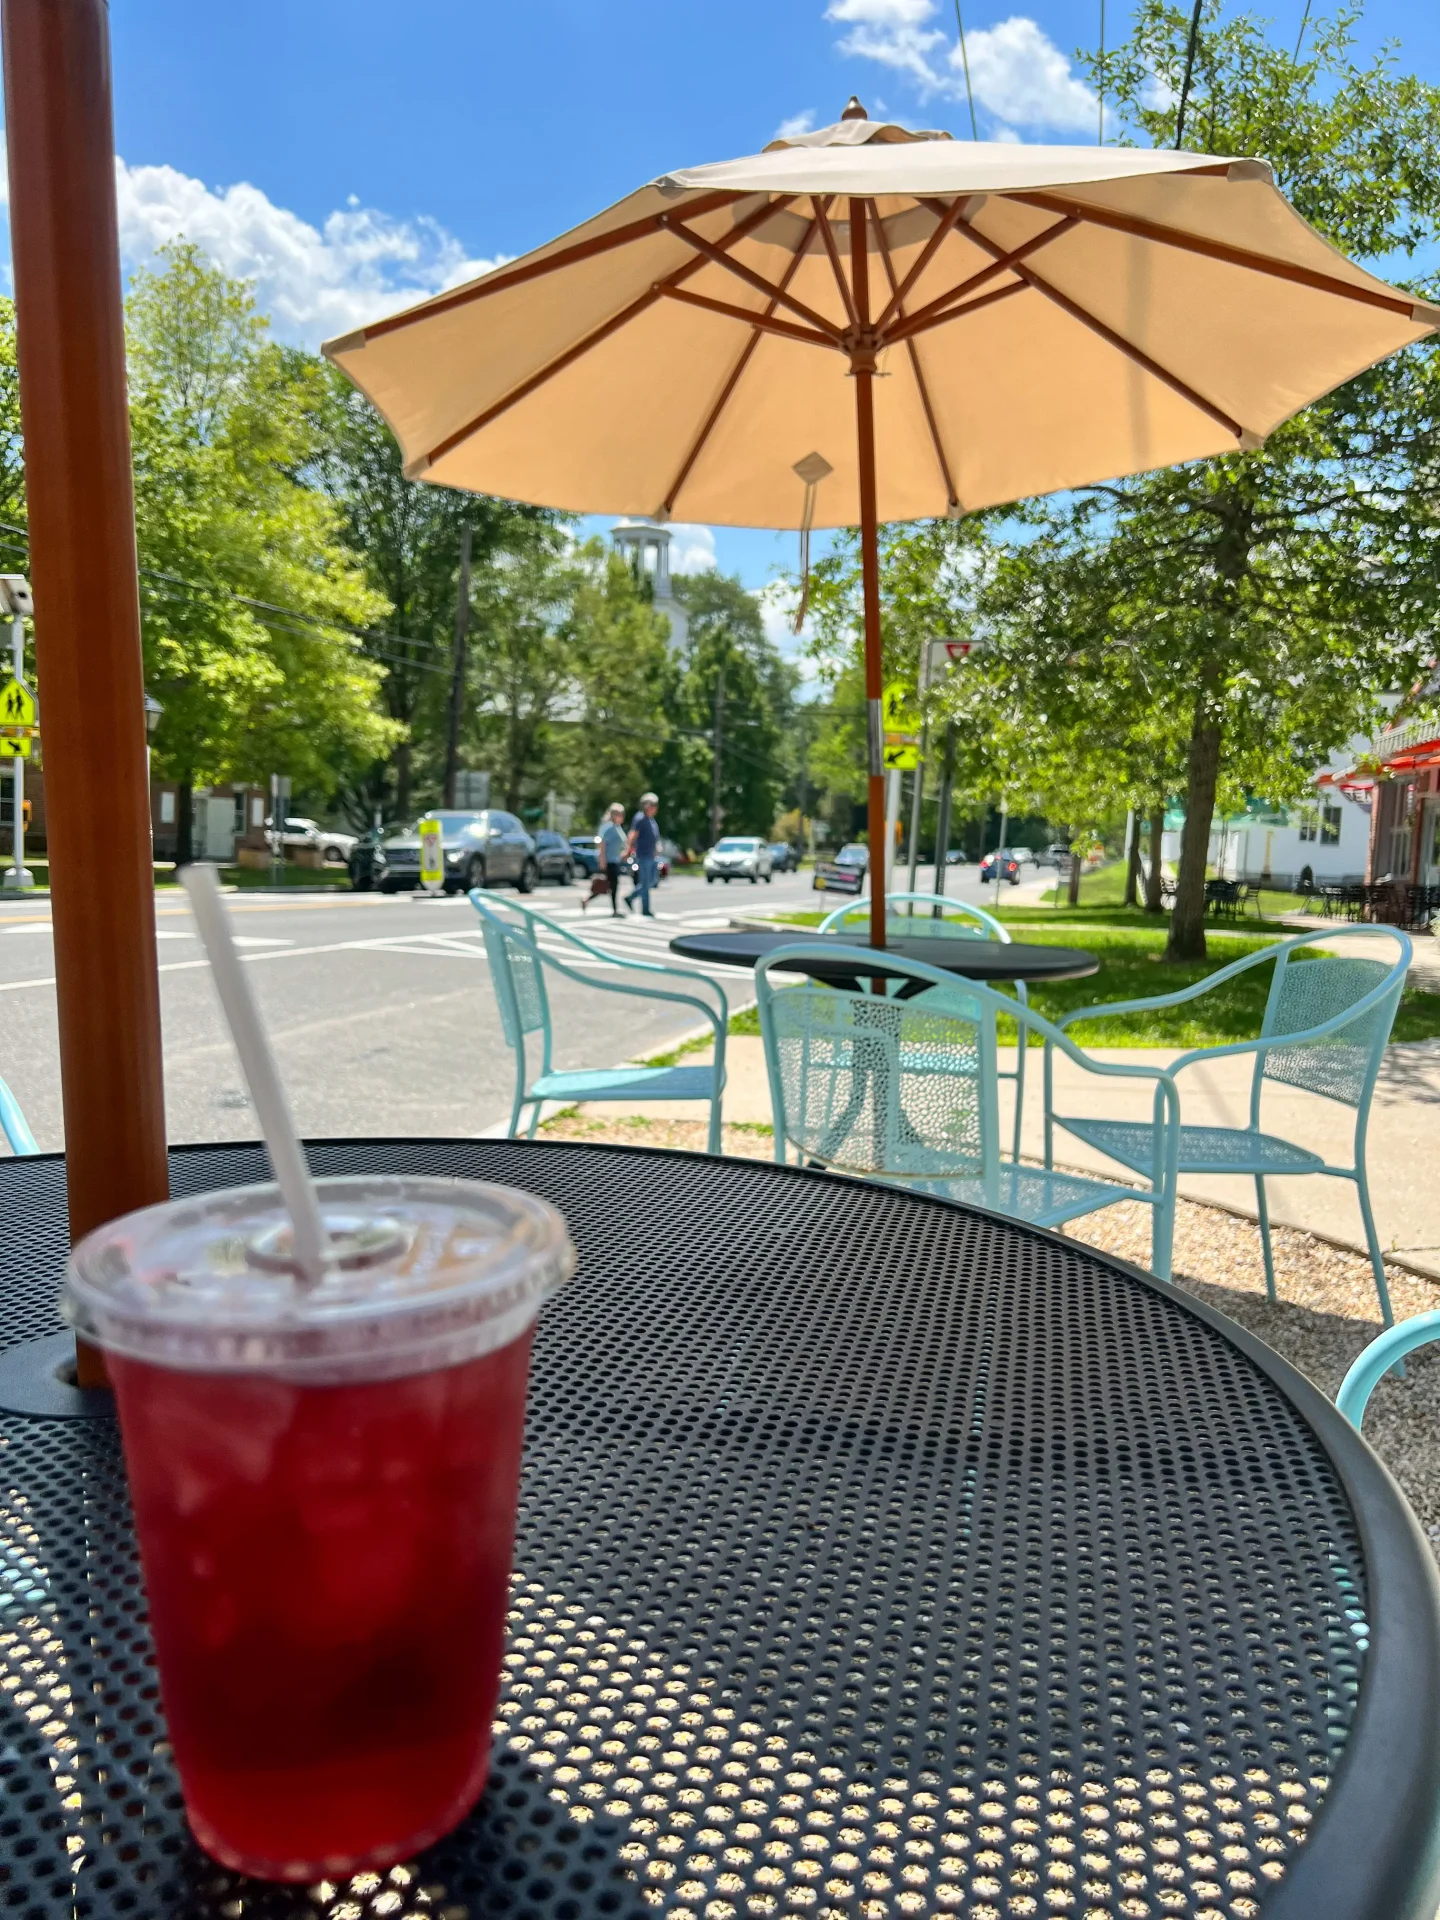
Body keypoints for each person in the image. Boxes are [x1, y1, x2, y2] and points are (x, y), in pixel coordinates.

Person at [586, 803, 628, 917]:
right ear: (613, 814)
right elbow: (602, 844)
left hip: (616, 860)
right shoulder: (608, 827)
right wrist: (602, 860)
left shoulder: (618, 827)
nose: (621, 816)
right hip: (609, 860)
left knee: (609, 885)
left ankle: (587, 900)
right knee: (612, 885)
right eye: (619, 814)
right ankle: (615, 910)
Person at [626, 791, 661, 917]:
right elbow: (633, 834)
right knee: (645, 883)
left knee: (652, 881)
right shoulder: (640, 818)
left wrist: (658, 846)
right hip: (643, 855)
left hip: (652, 855)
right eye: (653, 805)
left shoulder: (651, 820)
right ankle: (645, 910)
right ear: (646, 806)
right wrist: (628, 849)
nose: (655, 808)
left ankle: (631, 897)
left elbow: (655, 837)